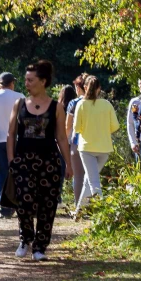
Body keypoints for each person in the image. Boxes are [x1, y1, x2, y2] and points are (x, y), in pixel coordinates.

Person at [7, 61, 72, 261]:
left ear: (43, 81)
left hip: (49, 161)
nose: (26, 83)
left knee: (47, 205)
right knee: (24, 202)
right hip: (23, 161)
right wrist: (11, 160)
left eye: (30, 80)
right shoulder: (19, 104)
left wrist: (68, 163)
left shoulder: (57, 107)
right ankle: (25, 238)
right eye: (25, 80)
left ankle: (40, 247)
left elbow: (61, 137)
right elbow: (11, 134)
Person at [72, 75, 120, 215]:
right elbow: (114, 126)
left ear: (85, 88)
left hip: (86, 148)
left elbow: (77, 128)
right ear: (99, 89)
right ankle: (78, 211)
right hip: (104, 149)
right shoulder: (107, 104)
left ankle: (104, 213)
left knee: (93, 181)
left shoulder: (81, 104)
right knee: (90, 179)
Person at [0, 72, 25, 219]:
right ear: (12, 83)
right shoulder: (20, 96)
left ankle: (4, 208)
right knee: (17, 172)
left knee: (0, 174)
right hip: (15, 139)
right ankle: (18, 203)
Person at [64, 74, 89, 206]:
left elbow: (68, 126)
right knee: (91, 176)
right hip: (94, 143)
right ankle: (91, 204)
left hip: (77, 142)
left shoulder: (73, 103)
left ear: (79, 87)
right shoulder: (98, 102)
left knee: (78, 176)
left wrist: (64, 143)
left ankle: (79, 205)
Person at [127, 78, 141, 168]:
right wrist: (133, 142)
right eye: (139, 84)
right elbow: (130, 123)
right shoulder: (135, 102)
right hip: (140, 142)